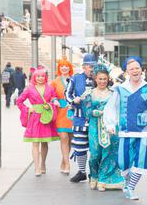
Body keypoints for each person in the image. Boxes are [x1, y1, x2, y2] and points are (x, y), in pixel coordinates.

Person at [103, 56, 147, 201]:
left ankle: (130, 187)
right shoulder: (120, 89)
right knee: (123, 161)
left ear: (142, 69)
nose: (135, 71)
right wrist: (110, 124)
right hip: (125, 130)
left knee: (141, 160)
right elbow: (110, 107)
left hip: (144, 131)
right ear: (126, 72)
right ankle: (128, 182)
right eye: (131, 69)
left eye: (137, 68)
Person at [82, 63, 125, 192]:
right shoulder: (89, 93)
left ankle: (103, 179)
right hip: (95, 125)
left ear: (108, 80)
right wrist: (97, 113)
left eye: (105, 79)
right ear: (95, 79)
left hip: (109, 126)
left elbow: (119, 109)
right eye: (100, 79)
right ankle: (93, 175)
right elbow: (87, 112)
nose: (102, 81)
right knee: (95, 153)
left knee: (109, 152)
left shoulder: (113, 93)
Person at [16, 67, 60, 176]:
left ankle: (43, 164)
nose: (40, 78)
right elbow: (19, 101)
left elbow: (54, 97)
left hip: (46, 117)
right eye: (38, 76)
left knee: (45, 142)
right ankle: (36, 167)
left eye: (42, 76)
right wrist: (27, 109)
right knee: (35, 143)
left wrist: (54, 102)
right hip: (35, 118)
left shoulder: (49, 88)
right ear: (34, 77)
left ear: (45, 77)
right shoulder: (29, 89)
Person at [65, 53, 96, 183]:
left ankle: (95, 173)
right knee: (80, 145)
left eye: (94, 66)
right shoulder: (75, 78)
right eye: (89, 66)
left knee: (96, 147)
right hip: (79, 118)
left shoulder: (101, 78)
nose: (92, 69)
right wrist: (73, 100)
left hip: (96, 119)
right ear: (84, 67)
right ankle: (82, 172)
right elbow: (67, 94)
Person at [51, 57, 74, 175]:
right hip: (60, 112)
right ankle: (68, 164)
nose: (64, 68)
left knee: (70, 138)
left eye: (66, 66)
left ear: (70, 67)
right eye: (61, 66)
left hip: (72, 112)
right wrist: (54, 100)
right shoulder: (55, 81)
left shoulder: (74, 79)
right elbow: (51, 94)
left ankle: (64, 161)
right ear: (59, 68)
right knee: (64, 137)